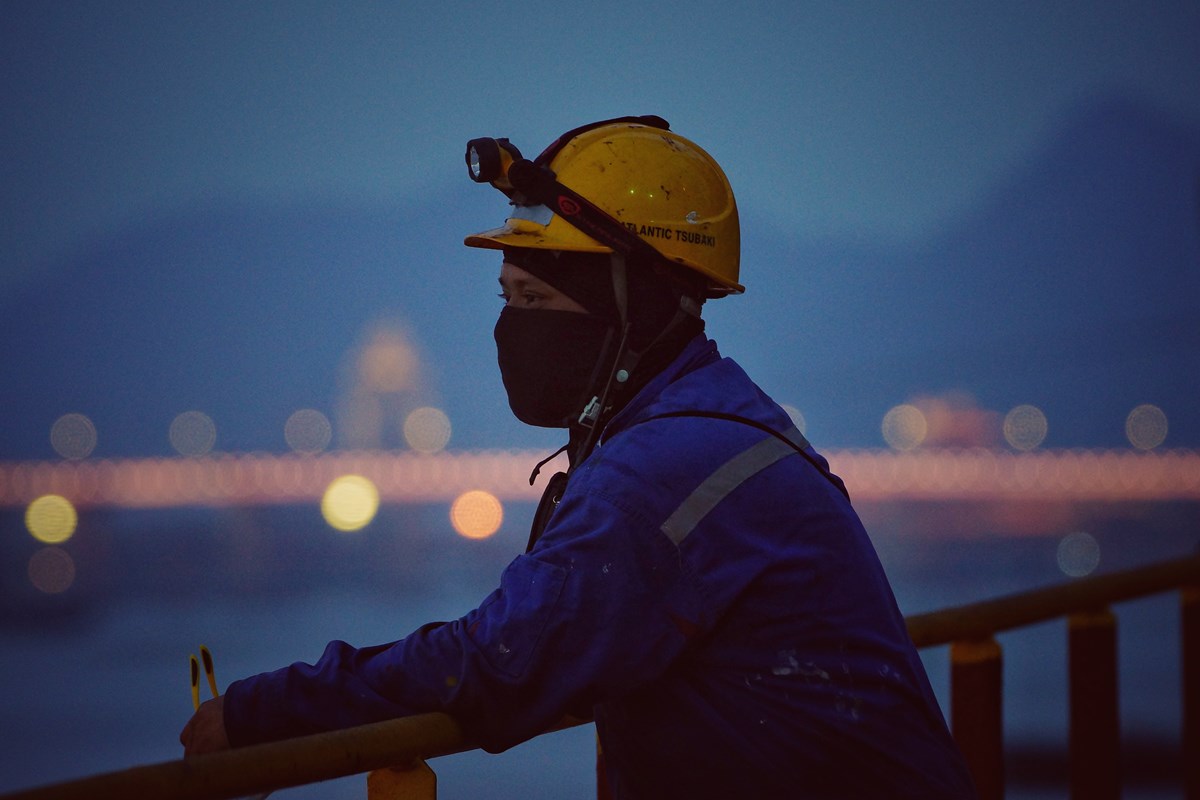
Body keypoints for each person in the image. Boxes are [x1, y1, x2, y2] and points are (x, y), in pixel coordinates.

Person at [181, 116, 976, 798]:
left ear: (633, 310)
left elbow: (496, 665)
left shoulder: (660, 475)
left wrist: (261, 714)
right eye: (506, 299)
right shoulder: (722, 422)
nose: (513, 328)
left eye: (535, 302)